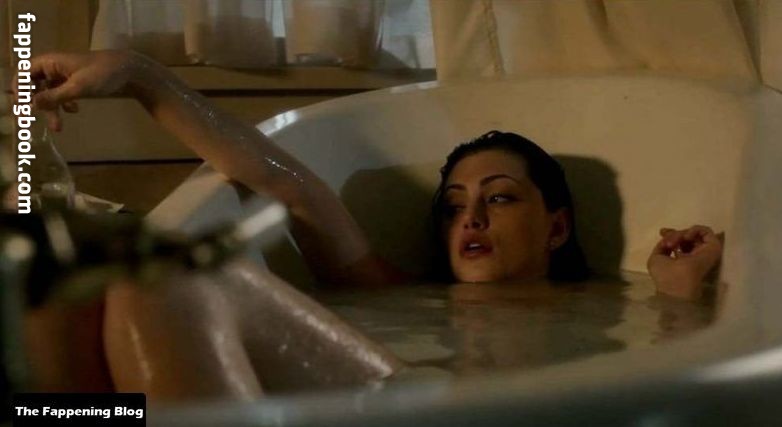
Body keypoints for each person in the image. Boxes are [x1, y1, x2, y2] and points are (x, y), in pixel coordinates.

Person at [12, 50, 723, 399]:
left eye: (501, 199)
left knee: (166, 272)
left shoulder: (611, 305)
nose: (471, 216)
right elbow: (286, 187)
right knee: (61, 292)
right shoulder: (394, 291)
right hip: (371, 403)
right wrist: (140, 77)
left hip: (417, 411)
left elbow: (665, 394)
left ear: (557, 229)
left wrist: (680, 296)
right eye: (453, 206)